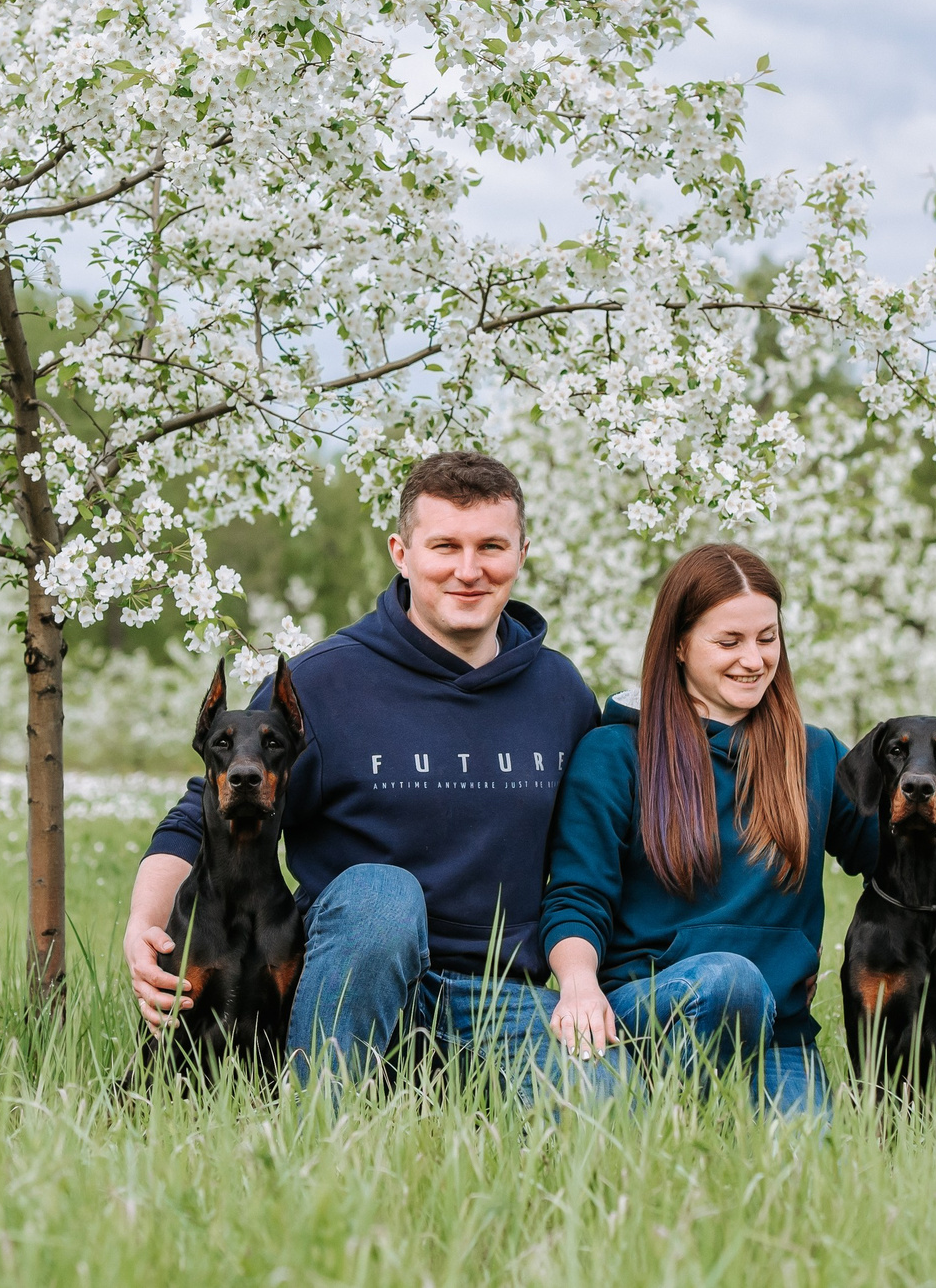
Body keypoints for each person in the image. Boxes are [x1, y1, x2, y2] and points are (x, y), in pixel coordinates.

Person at [126, 451, 728, 1098]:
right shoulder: (322, 683)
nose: (468, 569)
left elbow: (599, 855)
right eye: (445, 545)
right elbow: (202, 814)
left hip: (497, 999)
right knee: (383, 895)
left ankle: (459, 1095)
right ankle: (316, 1119)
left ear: (523, 551)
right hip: (350, 980)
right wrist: (147, 930)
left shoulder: (560, 693)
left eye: (490, 545)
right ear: (402, 552)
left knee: (616, 1117)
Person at [539, 543, 936, 1114]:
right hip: (646, 1013)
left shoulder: (813, 756)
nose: (753, 659)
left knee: (810, 1161)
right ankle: (645, 1089)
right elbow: (576, 897)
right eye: (729, 641)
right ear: (679, 644)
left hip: (776, 1037)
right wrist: (578, 985)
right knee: (728, 980)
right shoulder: (615, 754)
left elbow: (893, 860)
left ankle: (694, 1103)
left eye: (767, 638)